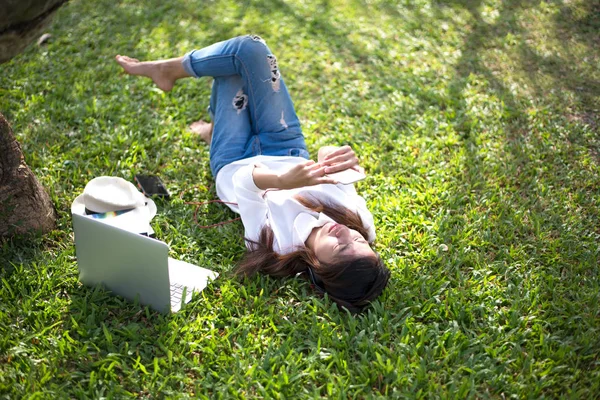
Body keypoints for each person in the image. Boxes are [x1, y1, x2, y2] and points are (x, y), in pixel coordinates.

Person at [115, 35, 390, 312]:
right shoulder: (361, 224)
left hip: (235, 159)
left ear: (320, 269)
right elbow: (334, 165)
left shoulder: (274, 244)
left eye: (341, 247)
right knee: (252, 49)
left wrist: (284, 181)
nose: (345, 233)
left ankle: (207, 119)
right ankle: (206, 119)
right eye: (356, 240)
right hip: (286, 145)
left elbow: (244, 185)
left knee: (231, 72)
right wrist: (334, 156)